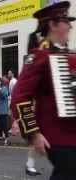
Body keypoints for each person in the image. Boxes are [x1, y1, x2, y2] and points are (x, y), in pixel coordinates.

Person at [11, 2, 76, 180]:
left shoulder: (68, 56)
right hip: (58, 137)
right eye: (65, 21)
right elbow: (19, 98)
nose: (70, 25)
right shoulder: (40, 56)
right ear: (52, 25)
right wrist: (33, 133)